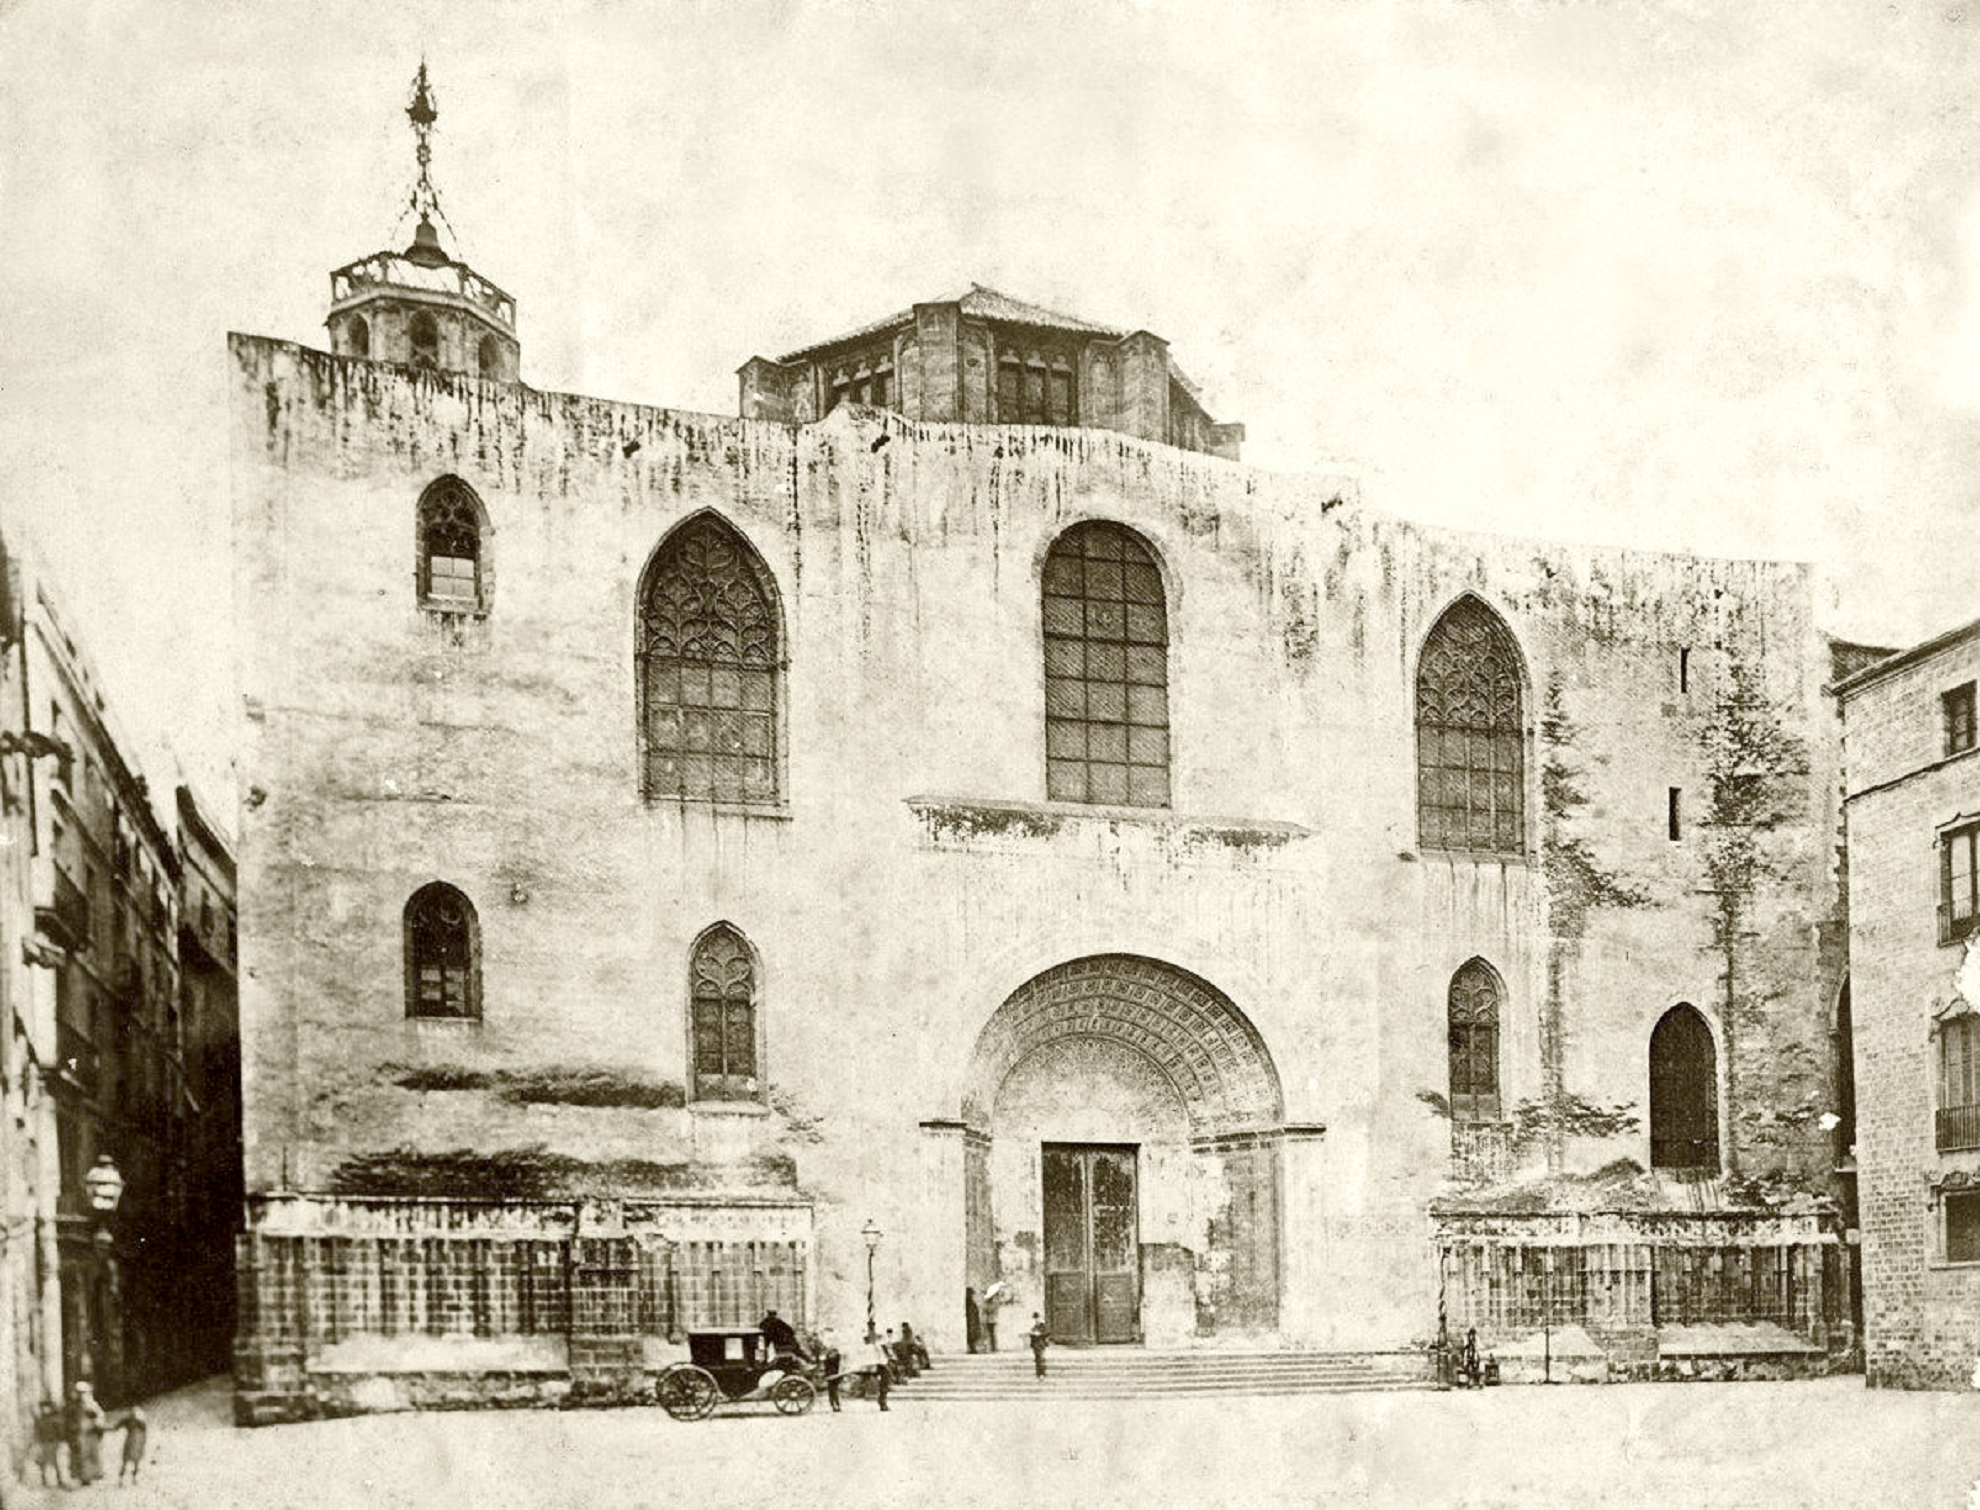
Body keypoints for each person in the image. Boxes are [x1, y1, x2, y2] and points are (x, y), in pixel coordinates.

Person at [68, 1379, 106, 1486]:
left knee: (91, 1454)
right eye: (79, 1393)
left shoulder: (92, 1405)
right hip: (80, 1433)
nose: (81, 1396)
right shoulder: (73, 1406)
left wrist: (96, 1425)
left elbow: (99, 1417)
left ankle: (91, 1476)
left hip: (91, 1433)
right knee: (80, 1455)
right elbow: (71, 1419)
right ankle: (82, 1476)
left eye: (83, 1393)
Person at [32, 1398, 65, 1486]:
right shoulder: (39, 1420)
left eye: (47, 1407)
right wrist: (37, 1443)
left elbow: (59, 1431)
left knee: (54, 1462)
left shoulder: (54, 1419)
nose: (45, 1410)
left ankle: (59, 1480)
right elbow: (37, 1432)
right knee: (42, 1463)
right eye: (43, 1408)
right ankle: (44, 1480)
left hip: (52, 1442)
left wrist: (58, 1442)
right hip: (43, 1443)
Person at [118, 1404, 149, 1484]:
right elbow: (145, 1432)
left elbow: (116, 1426)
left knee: (127, 1461)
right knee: (135, 1461)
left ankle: (122, 1479)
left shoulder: (129, 1419)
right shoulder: (140, 1421)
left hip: (132, 1441)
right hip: (135, 1442)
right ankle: (133, 1479)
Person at [820, 1330, 843, 1412]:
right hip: (832, 1368)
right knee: (833, 1387)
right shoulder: (832, 1347)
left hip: (831, 1367)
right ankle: (835, 1404)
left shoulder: (829, 1344)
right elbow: (830, 1356)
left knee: (833, 1387)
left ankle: (834, 1404)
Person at [981, 1281, 1005, 1353]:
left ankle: (993, 1348)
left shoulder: (994, 1303)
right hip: (988, 1320)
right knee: (988, 1334)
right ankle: (989, 1348)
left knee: (992, 1334)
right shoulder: (989, 1303)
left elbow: (989, 1310)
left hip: (992, 1320)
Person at [1028, 1313, 1050, 1379]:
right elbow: (1031, 1335)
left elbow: (1047, 1333)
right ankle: (1038, 1373)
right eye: (1035, 1319)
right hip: (1035, 1344)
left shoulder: (1043, 1326)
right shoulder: (1034, 1327)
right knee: (1037, 1359)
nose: (1036, 1320)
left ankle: (1042, 1373)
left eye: (1037, 1318)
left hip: (1041, 1344)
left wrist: (1039, 1334)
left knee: (1041, 1358)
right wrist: (1032, 1334)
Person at [965, 1287, 983, 1354]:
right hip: (971, 1322)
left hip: (972, 1322)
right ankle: (972, 1348)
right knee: (971, 1335)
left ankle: (973, 1348)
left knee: (973, 1335)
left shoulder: (971, 1303)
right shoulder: (969, 1303)